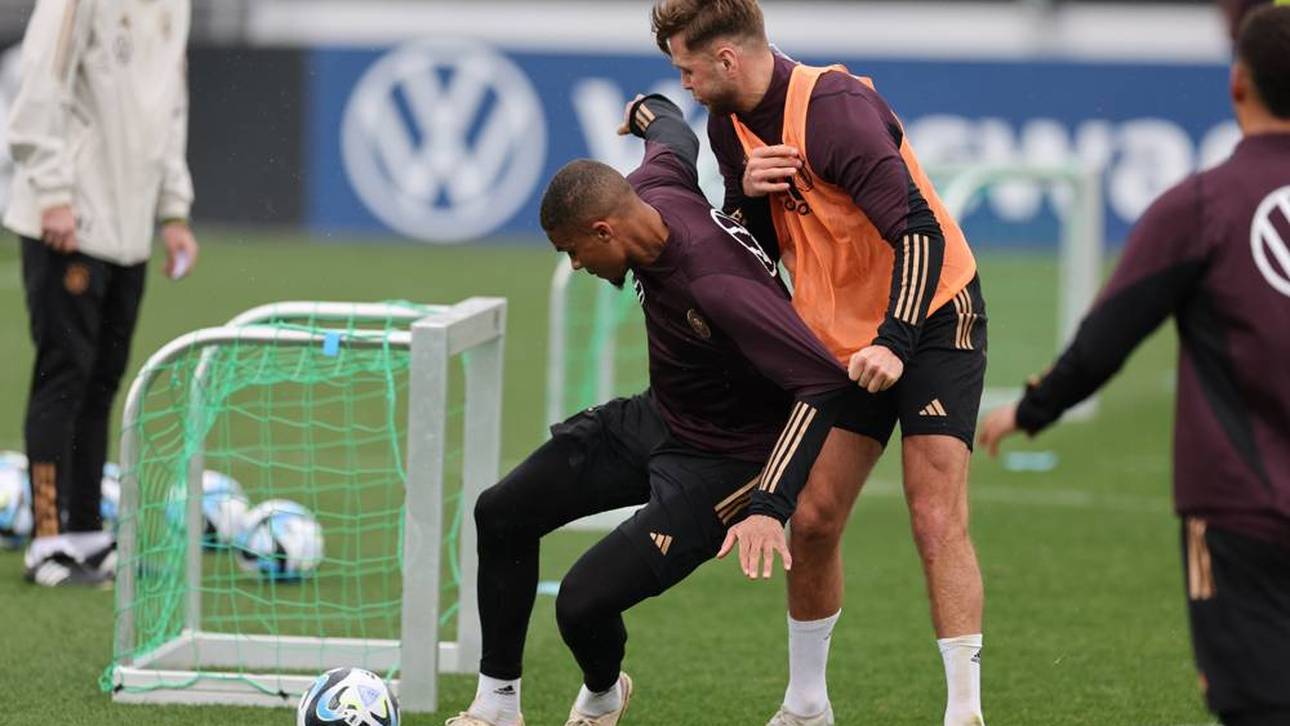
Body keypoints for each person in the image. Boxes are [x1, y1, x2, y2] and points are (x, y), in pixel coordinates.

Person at [447, 93, 859, 726]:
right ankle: (496, 706)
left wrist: (768, 506)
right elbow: (671, 128)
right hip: (661, 417)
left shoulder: (714, 282)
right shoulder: (655, 183)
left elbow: (822, 383)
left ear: (603, 231)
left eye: (573, 251)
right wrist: (645, 107)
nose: (575, 265)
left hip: (726, 462)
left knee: (581, 603)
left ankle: (603, 695)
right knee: (500, 512)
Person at [651, 2, 988, 724]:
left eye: (687, 69)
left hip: (931, 316)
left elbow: (919, 232)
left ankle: (965, 712)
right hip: (839, 336)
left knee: (934, 516)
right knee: (810, 518)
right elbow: (750, 251)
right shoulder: (727, 126)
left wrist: (895, 341)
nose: (684, 84)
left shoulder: (835, 109)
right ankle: (807, 706)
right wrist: (749, 198)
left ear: (726, 60)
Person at [978, 7, 1290, 725]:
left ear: (1237, 84)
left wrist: (1032, 408)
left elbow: (1108, 337)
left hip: (1240, 507)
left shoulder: (1200, 206)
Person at [6, 0, 199, 586]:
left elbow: (171, 106)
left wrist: (173, 209)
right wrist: (53, 193)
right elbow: (41, 84)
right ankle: (47, 541)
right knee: (63, 373)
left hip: (128, 228)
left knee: (103, 379)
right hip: (69, 215)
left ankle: (87, 533)